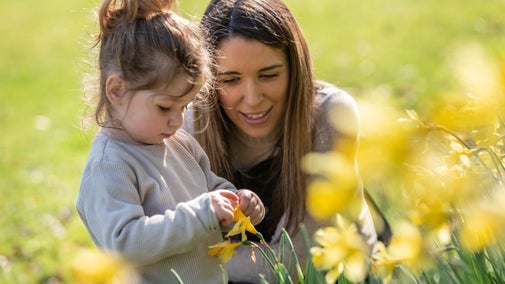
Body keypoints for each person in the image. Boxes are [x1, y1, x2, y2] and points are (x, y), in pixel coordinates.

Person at [182, 0, 388, 282]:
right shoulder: (190, 125)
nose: (252, 99)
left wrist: (191, 264)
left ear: (295, 67)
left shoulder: (332, 115)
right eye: (230, 80)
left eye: (269, 75)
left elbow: (297, 260)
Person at [75, 0, 264, 283]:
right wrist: (202, 214)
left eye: (184, 107)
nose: (177, 121)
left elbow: (208, 191)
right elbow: (124, 244)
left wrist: (236, 204)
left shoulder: (180, 144)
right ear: (116, 90)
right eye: (165, 107)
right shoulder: (110, 166)